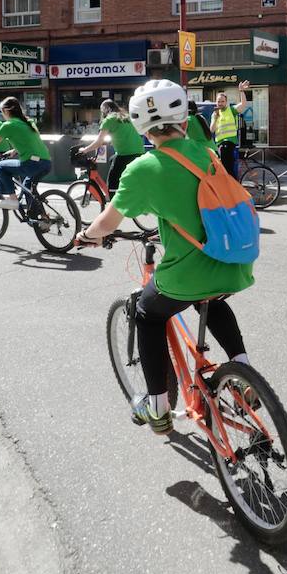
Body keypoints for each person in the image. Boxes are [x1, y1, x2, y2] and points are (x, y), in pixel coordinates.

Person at [73, 79, 252, 433]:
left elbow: (109, 220)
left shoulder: (142, 168)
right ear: (184, 120)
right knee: (211, 300)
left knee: (146, 312)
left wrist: (86, 236)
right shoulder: (206, 152)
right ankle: (244, 370)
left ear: (141, 127)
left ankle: (157, 408)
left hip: (188, 272)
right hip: (234, 261)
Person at [0, 97, 52, 209]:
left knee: (0, 166)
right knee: (28, 187)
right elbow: (32, 141)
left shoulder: (8, 125)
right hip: (46, 162)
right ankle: (40, 218)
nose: (2, 115)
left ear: (7, 111)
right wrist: (14, 150)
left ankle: (13, 200)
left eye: (2, 112)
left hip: (31, 163)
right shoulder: (29, 122)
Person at [79, 99, 145, 197]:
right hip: (139, 152)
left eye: (102, 111)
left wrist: (85, 150)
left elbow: (98, 142)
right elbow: (124, 133)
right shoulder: (126, 117)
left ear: (105, 110)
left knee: (112, 183)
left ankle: (114, 205)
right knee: (112, 159)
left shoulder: (109, 119)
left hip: (125, 155)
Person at [209, 81, 252, 179]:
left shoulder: (231, 110)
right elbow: (212, 129)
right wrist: (215, 118)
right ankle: (232, 188)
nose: (220, 103)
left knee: (226, 169)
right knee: (227, 170)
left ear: (226, 102)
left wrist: (241, 90)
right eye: (218, 101)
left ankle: (232, 189)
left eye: (222, 101)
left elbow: (243, 104)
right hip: (220, 144)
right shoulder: (214, 114)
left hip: (229, 143)